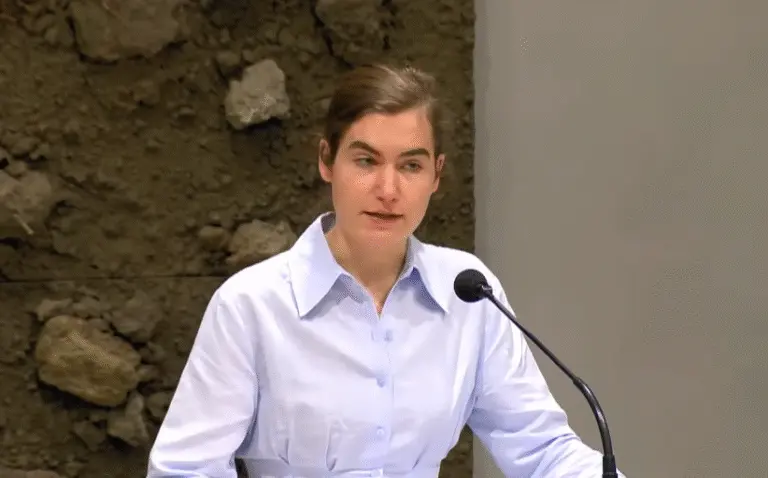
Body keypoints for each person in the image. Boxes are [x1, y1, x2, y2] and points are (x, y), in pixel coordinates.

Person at [146, 63, 624, 478]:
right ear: (326, 161)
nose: (388, 190)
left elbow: (542, 449)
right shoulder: (251, 305)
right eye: (366, 161)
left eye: (411, 166)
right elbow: (184, 470)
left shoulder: (469, 291)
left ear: (436, 175)